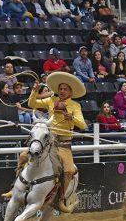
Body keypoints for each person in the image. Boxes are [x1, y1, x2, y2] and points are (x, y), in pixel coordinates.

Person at [18, 72, 87, 212]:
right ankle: (15, 188)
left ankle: (61, 199)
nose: (62, 91)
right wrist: (34, 91)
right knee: (23, 156)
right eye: (60, 88)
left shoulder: (75, 106)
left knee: (68, 170)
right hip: (49, 141)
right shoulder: (51, 100)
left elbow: (83, 125)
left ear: (70, 92)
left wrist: (70, 117)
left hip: (64, 144)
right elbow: (32, 104)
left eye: (65, 89)